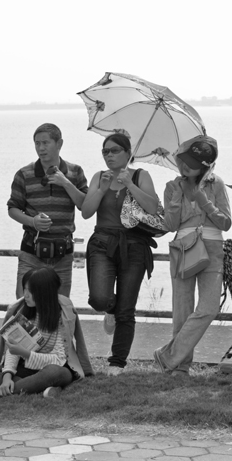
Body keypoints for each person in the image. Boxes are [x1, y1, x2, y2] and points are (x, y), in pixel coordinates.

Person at [81, 132, 159, 376]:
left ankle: (117, 362)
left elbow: (152, 208)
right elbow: (86, 212)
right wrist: (101, 190)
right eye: (105, 151)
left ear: (128, 153)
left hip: (133, 245)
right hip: (102, 242)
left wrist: (130, 185)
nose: (109, 155)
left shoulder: (140, 175)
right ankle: (109, 309)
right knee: (99, 298)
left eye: (115, 150)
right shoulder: (99, 177)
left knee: (127, 308)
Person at [152, 136, 232, 375]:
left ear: (205, 167)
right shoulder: (172, 186)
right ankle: (180, 367)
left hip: (213, 247)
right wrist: (177, 198)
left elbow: (226, 223)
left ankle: (167, 356)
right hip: (183, 246)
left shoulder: (216, 184)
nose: (186, 166)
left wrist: (203, 201)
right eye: (184, 160)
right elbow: (170, 225)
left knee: (209, 308)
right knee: (182, 310)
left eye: (193, 163)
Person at [0, 267, 94, 400]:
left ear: (45, 292)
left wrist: (24, 353)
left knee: (55, 372)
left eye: (30, 291)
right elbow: (12, 351)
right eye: (25, 289)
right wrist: (6, 378)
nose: (25, 295)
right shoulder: (24, 311)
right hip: (26, 369)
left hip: (54, 368)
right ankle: (38, 388)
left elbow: (58, 359)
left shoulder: (62, 317)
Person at [7, 123, 88, 299]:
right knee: (24, 302)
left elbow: (84, 205)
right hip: (31, 251)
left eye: (45, 143)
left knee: (60, 305)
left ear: (59, 144)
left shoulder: (75, 172)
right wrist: (32, 221)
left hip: (63, 253)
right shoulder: (24, 173)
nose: (41, 148)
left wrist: (65, 182)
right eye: (37, 143)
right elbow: (12, 208)